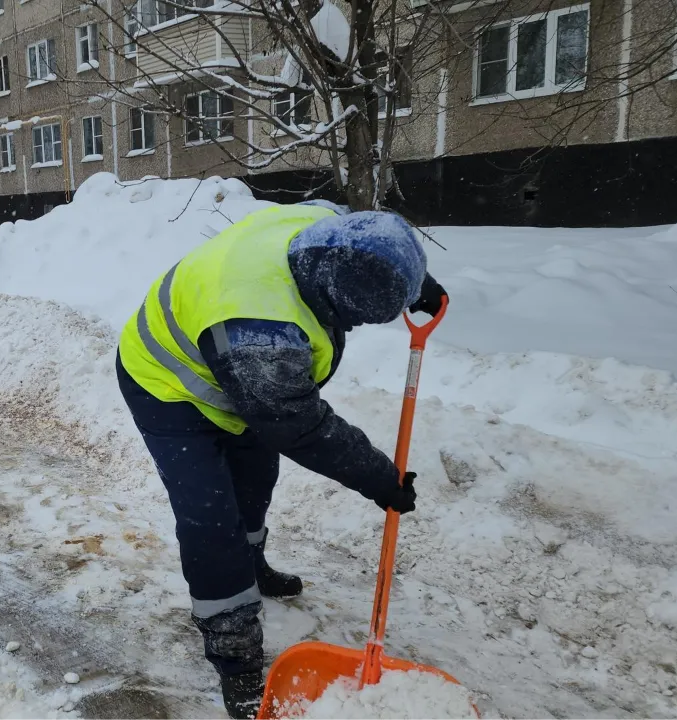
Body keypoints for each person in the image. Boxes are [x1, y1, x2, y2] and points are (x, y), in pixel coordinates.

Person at [115, 201, 448, 719]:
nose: (355, 327)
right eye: (355, 318)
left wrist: (411, 281)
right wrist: (379, 477)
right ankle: (235, 654)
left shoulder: (321, 226)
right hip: (166, 383)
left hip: (237, 373)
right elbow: (301, 427)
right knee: (210, 517)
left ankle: (252, 565)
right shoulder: (257, 330)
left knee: (255, 476)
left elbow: (370, 239)